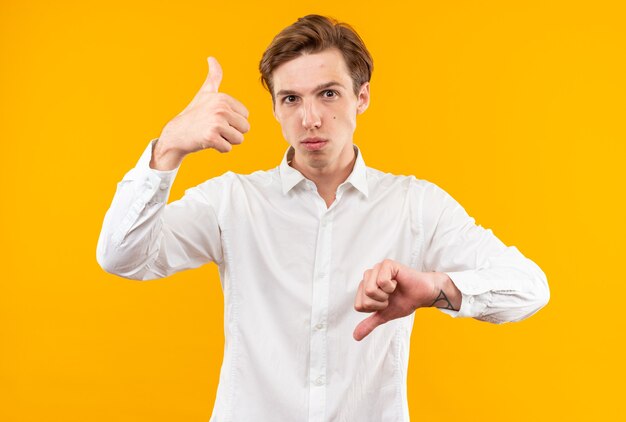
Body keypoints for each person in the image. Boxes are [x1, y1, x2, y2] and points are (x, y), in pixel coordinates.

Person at [96, 14, 549, 422]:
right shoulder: (232, 201)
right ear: (274, 107)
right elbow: (122, 256)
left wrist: (437, 289)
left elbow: (529, 288)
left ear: (362, 96)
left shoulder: (415, 205)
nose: (310, 118)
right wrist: (168, 147)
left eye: (328, 94)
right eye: (291, 98)